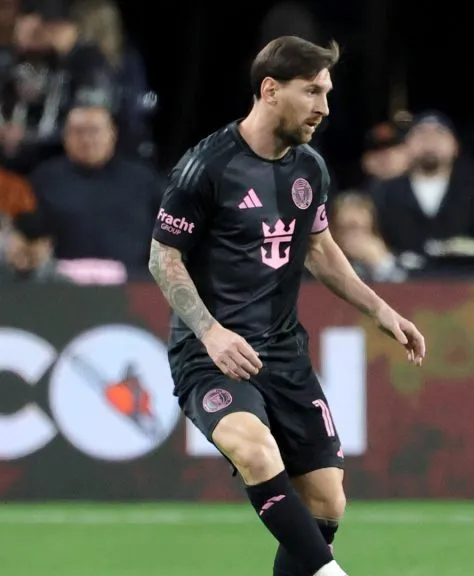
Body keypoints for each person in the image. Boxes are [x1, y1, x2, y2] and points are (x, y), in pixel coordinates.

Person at [148, 36, 426, 576]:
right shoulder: (206, 166)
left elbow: (319, 249)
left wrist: (381, 310)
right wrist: (210, 331)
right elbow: (164, 258)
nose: (325, 107)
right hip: (213, 356)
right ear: (270, 90)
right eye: (313, 92)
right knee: (255, 451)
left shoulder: (310, 169)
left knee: (327, 501)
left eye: (328, 93)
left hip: (283, 353)